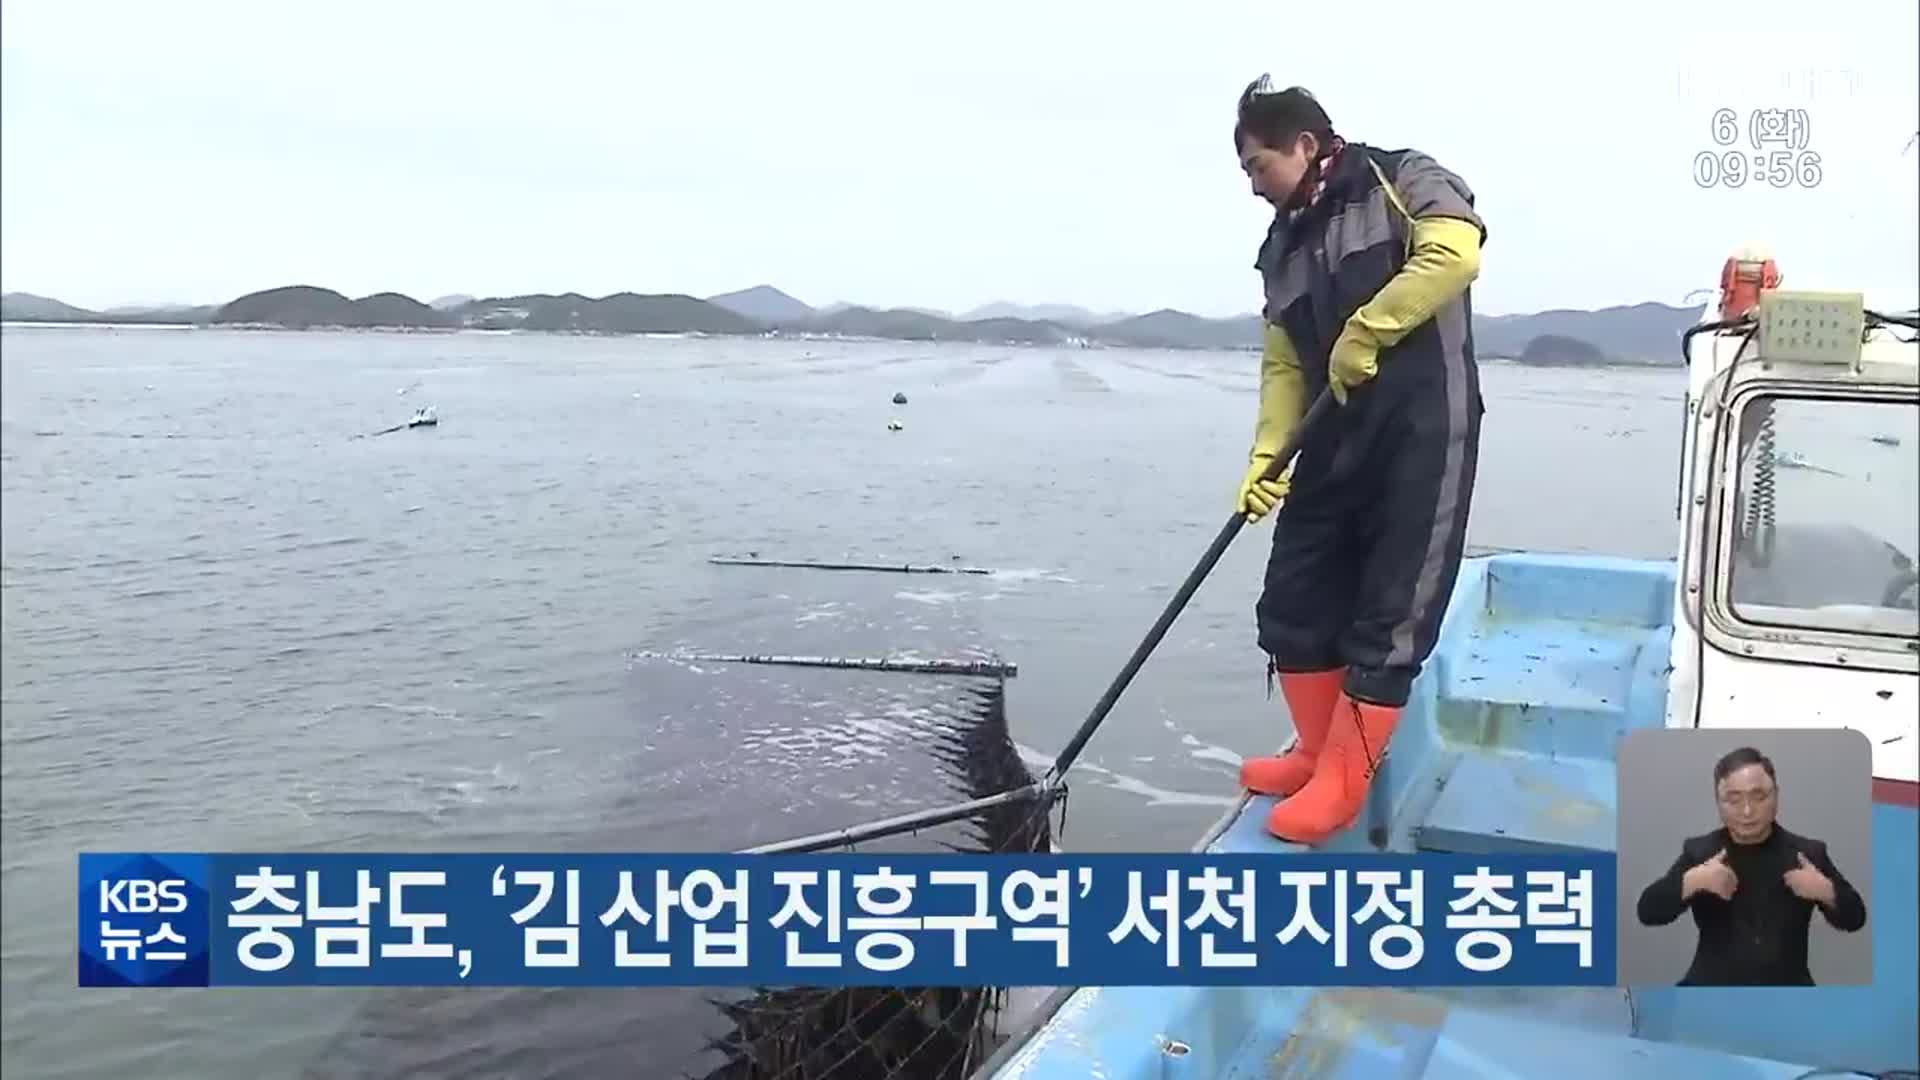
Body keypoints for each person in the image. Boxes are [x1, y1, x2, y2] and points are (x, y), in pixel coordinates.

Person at [1230, 77, 1487, 845]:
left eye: (1257, 165)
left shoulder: (1400, 177)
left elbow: (1456, 251)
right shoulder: (1280, 244)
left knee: (1391, 613)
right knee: (1294, 599)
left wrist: (1370, 327)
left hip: (1420, 428)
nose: (1253, 186)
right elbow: (1282, 365)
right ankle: (1316, 752)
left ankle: (1347, 774)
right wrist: (1267, 458)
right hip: (1329, 438)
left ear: (1305, 145)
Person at [1635, 746, 1867, 986]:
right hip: (1709, 989)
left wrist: (1825, 891)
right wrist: (1694, 881)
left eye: (1758, 797)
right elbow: (1648, 911)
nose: (1747, 811)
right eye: (1733, 799)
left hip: (1787, 994)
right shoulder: (1701, 852)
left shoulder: (1806, 854)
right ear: (1718, 801)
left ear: (1776, 795)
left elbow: (1856, 918)